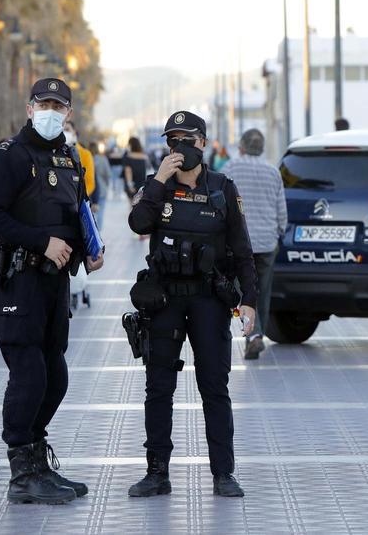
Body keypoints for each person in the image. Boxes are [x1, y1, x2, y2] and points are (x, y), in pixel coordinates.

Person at [0, 77, 104, 505]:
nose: (51, 111)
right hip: (20, 281)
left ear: (68, 113)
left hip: (55, 285)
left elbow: (76, 211)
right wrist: (39, 241)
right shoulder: (9, 156)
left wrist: (90, 250)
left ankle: (38, 460)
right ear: (30, 108)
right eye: (43, 103)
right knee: (28, 376)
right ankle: (21, 474)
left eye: (59, 105)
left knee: (56, 376)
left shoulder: (69, 157)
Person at [127, 110, 256, 499]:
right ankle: (156, 472)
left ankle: (223, 473)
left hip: (208, 301)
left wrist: (249, 301)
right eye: (172, 141)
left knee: (214, 387)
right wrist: (159, 180)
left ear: (203, 143)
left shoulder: (222, 188)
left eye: (187, 140)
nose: (179, 148)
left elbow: (243, 250)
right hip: (165, 299)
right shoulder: (158, 187)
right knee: (158, 387)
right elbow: (137, 224)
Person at [222, 129, 287, 360]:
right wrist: (280, 231)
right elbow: (281, 208)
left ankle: (254, 335)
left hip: (240, 242)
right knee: (263, 291)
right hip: (267, 241)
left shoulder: (230, 169)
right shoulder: (273, 171)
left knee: (243, 290)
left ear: (241, 146)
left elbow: (221, 203)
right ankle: (257, 334)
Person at [122, 136, 147, 201]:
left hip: (133, 184)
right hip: (143, 184)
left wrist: (130, 185)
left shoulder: (128, 156)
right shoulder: (144, 156)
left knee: (132, 205)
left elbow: (128, 171)